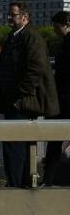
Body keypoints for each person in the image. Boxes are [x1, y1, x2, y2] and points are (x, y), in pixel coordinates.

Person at [0, 2, 60, 188]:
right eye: (9, 15)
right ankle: (19, 184)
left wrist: (19, 95)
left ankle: (16, 186)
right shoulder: (17, 37)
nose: (9, 18)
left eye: (13, 15)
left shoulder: (31, 38)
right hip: (17, 100)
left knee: (15, 145)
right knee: (17, 145)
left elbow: (35, 70)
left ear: (25, 17)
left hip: (21, 102)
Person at [43, 11, 70, 186]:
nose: (53, 29)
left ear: (66, 25)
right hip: (65, 97)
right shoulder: (66, 43)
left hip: (64, 98)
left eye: (56, 25)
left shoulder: (67, 45)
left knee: (54, 139)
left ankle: (49, 179)